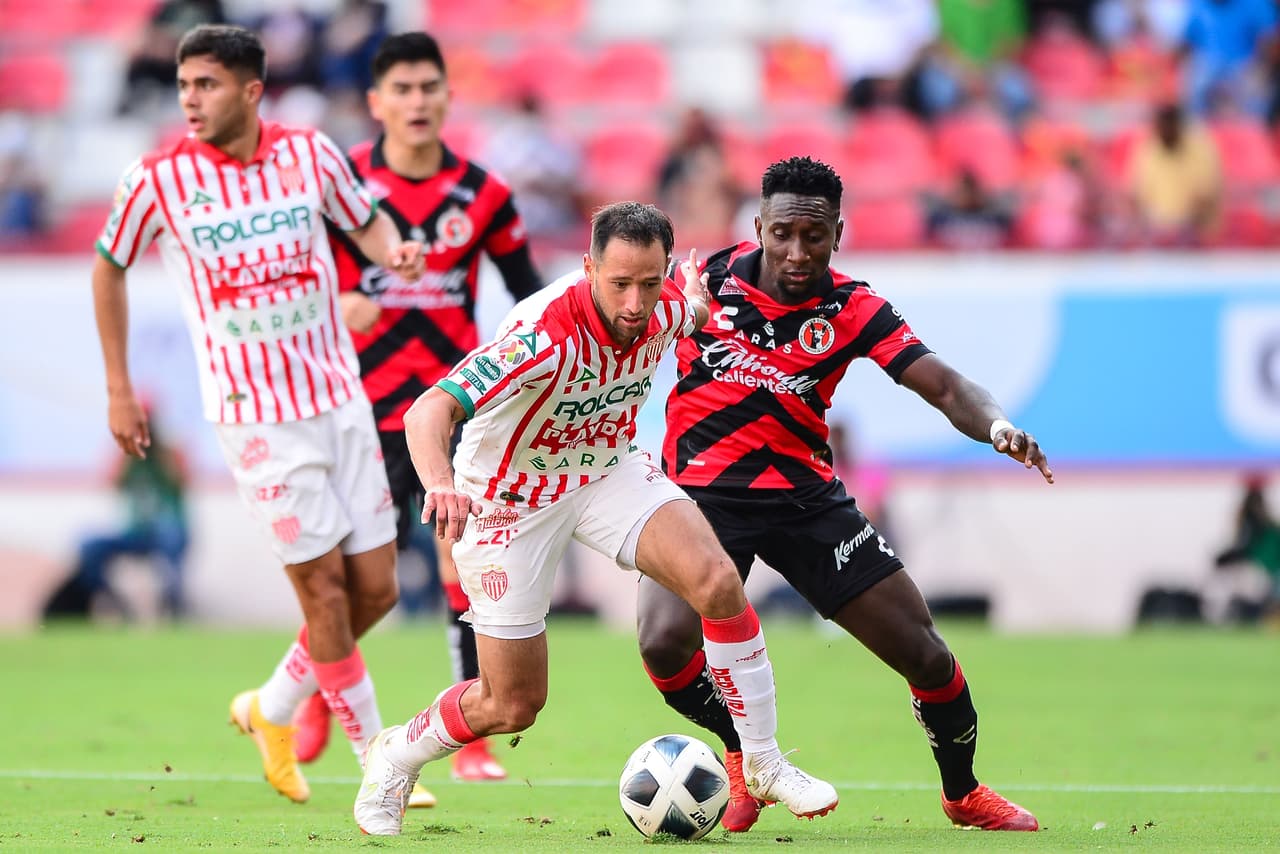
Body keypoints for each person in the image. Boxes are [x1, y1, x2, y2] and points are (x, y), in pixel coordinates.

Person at [351, 202, 839, 835]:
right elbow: (428, 411)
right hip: (509, 499)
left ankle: (765, 760)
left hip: (604, 469)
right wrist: (440, 484)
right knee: (512, 704)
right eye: (618, 284)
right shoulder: (543, 336)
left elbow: (687, 313)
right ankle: (396, 754)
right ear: (588, 268)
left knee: (718, 581)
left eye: (649, 282)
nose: (635, 302)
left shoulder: (667, 307)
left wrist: (688, 297)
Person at [636, 157, 1054, 833]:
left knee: (926, 654)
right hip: (701, 500)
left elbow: (945, 385)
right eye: (782, 235)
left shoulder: (853, 308)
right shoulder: (703, 279)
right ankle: (745, 753)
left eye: (814, 236)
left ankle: (963, 793)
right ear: (759, 228)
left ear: (838, 232)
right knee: (661, 644)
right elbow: (619, 325)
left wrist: (999, 427)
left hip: (807, 503)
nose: (797, 252)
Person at [91, 24, 425, 804]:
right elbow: (108, 268)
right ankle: (376, 759)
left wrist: (394, 251)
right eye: (183, 88)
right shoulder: (157, 180)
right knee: (327, 596)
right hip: (255, 415)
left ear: (250, 90)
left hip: (339, 397)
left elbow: (366, 221)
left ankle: (271, 708)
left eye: (205, 85)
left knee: (377, 589)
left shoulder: (310, 153)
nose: (190, 101)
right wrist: (119, 386)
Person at [303, 31, 543, 790]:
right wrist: (339, 304)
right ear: (376, 102)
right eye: (400, 90)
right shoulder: (344, 189)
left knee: (463, 562)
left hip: (448, 409)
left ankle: (470, 733)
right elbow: (301, 288)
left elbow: (529, 294)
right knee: (348, 574)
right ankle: (315, 694)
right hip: (360, 406)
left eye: (427, 88)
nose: (415, 102)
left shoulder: (485, 194)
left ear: (446, 97)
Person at [43, 413, 189, 620]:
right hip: (133, 531)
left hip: (163, 531)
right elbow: (111, 482)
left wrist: (163, 449)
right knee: (89, 544)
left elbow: (181, 482)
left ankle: (172, 603)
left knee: (174, 537)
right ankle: (116, 601)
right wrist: (128, 449)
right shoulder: (127, 456)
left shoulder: (169, 452)